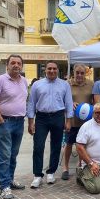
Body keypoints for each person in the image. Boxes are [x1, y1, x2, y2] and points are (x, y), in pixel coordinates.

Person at [0, 54, 28, 199]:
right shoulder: (0, 80)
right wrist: (1, 122)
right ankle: (4, 187)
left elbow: (22, 100)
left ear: (21, 66)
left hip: (19, 122)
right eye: (13, 63)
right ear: (7, 65)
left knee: (13, 155)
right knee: (4, 155)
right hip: (4, 122)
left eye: (19, 63)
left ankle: (9, 180)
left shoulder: (24, 81)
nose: (16, 65)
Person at [27, 60, 73, 188]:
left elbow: (69, 103)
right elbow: (31, 103)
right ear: (45, 70)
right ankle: (37, 175)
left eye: (54, 69)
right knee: (38, 146)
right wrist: (31, 121)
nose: (52, 71)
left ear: (57, 70)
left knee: (56, 146)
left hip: (58, 116)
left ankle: (51, 172)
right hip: (41, 117)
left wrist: (68, 120)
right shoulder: (37, 84)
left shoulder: (64, 85)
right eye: (49, 69)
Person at [61, 64, 93, 181]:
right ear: (73, 72)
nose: (79, 75)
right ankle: (65, 167)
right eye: (77, 73)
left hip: (86, 121)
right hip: (72, 120)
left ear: (85, 73)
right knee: (69, 144)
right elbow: (62, 99)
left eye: (82, 73)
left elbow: (94, 100)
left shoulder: (91, 84)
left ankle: (80, 165)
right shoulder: (67, 84)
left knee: (83, 145)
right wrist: (70, 103)